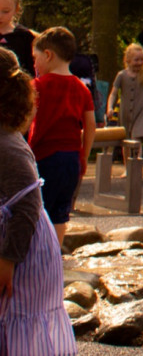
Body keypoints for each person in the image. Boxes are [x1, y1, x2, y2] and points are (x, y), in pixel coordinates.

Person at [0, 48, 77, 356]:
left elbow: (28, 205)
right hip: (12, 240)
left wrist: (7, 260)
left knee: (19, 327)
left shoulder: (6, 144)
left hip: (21, 249)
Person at [26, 28, 95, 247]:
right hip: (72, 157)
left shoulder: (37, 86)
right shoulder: (82, 88)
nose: (34, 65)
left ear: (48, 55)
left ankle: (36, 256)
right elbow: (90, 125)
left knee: (38, 209)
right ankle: (55, 255)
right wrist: (84, 155)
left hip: (44, 156)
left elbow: (27, 120)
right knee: (61, 212)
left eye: (35, 58)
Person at [106, 43, 143, 143]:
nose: (140, 62)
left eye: (142, 60)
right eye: (136, 60)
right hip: (124, 112)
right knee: (126, 138)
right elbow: (113, 93)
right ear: (127, 60)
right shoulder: (121, 75)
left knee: (137, 137)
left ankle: (137, 158)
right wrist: (110, 107)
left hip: (139, 111)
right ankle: (127, 158)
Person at [0, 0, 35, 75]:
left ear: (16, 10)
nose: (0, 16)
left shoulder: (24, 36)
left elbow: (30, 69)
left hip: (16, 87)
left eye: (5, 11)